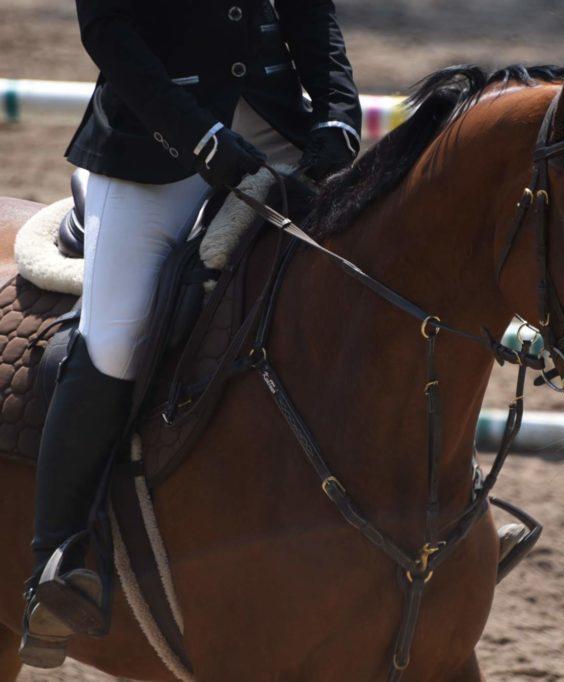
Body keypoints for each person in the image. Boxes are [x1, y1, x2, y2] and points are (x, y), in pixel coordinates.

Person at [20, 0, 361, 668]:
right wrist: (198, 135)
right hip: (157, 142)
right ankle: (59, 559)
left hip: (278, 131)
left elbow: (309, 13)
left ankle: (435, 511)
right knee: (116, 339)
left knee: (372, 284)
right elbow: (108, 30)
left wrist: (339, 114)